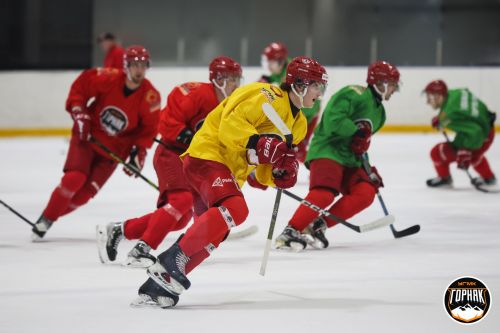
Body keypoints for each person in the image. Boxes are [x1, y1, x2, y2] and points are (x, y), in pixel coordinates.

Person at [131, 56, 328, 308]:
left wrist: (279, 173)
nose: (319, 93)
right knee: (237, 209)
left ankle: (157, 287)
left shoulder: (298, 125)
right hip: (207, 155)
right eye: (316, 86)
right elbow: (230, 126)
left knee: (216, 233)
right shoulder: (265, 95)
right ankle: (172, 260)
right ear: (299, 84)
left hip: (227, 169)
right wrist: (258, 142)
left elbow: (265, 165)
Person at [96, 56, 243, 267]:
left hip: (196, 164)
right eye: (230, 79)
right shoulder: (196, 93)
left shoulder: (233, 108)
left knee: (180, 219)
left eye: (237, 79)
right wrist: (186, 135)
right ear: (217, 79)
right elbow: (166, 120)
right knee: (181, 201)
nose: (235, 84)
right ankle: (141, 249)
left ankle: (120, 230)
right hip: (172, 154)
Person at [31, 45, 161, 241]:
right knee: (74, 178)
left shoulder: (151, 96)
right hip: (87, 138)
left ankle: (50, 215)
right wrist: (80, 113)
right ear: (126, 66)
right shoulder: (107, 78)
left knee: (84, 195)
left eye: (143, 65)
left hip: (112, 153)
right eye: (135, 65)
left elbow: (148, 131)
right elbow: (80, 89)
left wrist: (138, 153)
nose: (139, 70)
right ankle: (47, 219)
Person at [275, 61, 400, 251]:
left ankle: (318, 225)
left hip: (350, 159)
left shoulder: (380, 114)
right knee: (324, 194)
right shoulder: (353, 93)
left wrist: (369, 169)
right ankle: (290, 231)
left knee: (366, 192)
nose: (394, 89)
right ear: (380, 83)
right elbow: (333, 120)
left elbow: (361, 145)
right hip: (327, 150)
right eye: (392, 85)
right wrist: (355, 132)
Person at [424, 80, 496, 187]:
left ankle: (487, 178)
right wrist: (440, 118)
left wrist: (465, 150)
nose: (428, 101)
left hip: (481, 135)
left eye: (430, 97)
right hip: (485, 126)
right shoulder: (454, 94)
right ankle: (488, 178)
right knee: (472, 155)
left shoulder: (449, 115)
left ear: (439, 96)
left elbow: (476, 131)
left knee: (439, 153)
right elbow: (464, 112)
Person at [259, 42, 322, 163]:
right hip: (303, 112)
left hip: (307, 114)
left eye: (270, 63)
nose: (269, 67)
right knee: (296, 149)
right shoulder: (285, 69)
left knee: (298, 149)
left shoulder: (293, 72)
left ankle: (318, 167)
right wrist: (267, 79)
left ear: (279, 61)